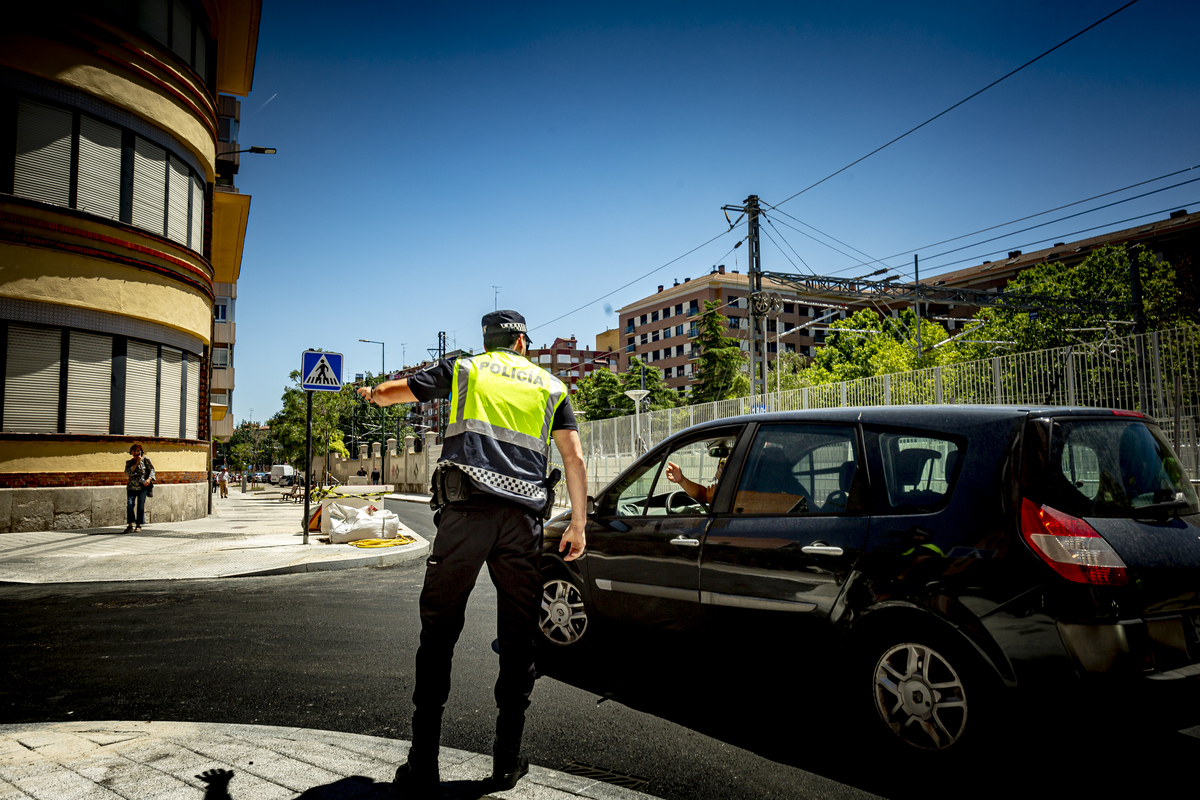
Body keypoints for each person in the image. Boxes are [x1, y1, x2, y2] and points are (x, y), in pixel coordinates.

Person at [359, 310, 586, 797]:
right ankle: (506, 763)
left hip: (464, 518)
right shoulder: (550, 386)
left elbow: (398, 391)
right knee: (519, 639)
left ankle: (423, 763)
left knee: (439, 635)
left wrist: (373, 394)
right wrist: (580, 523)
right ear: (522, 342)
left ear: (488, 341)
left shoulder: (465, 369)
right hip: (522, 524)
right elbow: (573, 457)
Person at [124, 443, 155, 533]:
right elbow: (128, 473)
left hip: (142, 487)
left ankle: (139, 525)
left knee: (140, 506)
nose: (136, 453)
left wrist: (149, 479)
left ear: (141, 452)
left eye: (138, 451)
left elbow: (152, 470)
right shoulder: (129, 462)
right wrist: (136, 462)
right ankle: (130, 525)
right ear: (131, 452)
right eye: (134, 451)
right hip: (131, 487)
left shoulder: (146, 460)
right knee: (130, 504)